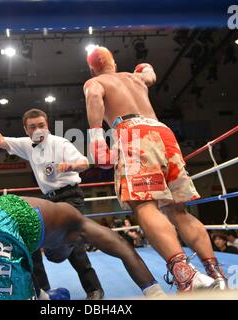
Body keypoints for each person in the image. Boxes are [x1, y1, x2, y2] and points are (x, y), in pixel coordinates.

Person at [83, 46, 223, 291]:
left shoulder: (96, 81)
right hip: (163, 133)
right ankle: (217, 275)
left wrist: (96, 139)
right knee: (179, 211)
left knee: (144, 205)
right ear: (113, 62)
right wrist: (144, 67)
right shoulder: (135, 78)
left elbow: (94, 95)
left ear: (92, 68)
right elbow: (151, 75)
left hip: (132, 132)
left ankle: (187, 277)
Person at [0, 99, 104, 299]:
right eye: (33, 126)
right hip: (48, 200)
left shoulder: (60, 143)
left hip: (70, 197)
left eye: (41, 125)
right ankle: (43, 291)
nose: (38, 129)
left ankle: (94, 290)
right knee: (30, 239)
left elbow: (84, 162)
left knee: (73, 242)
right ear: (26, 129)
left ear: (47, 125)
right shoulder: (26, 145)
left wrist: (70, 166)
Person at [0, 194, 166, 300]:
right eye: (56, 253)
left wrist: (44, 296)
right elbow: (124, 249)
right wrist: (155, 293)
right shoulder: (78, 222)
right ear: (73, 241)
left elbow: (26, 273)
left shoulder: (37, 230)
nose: (47, 252)